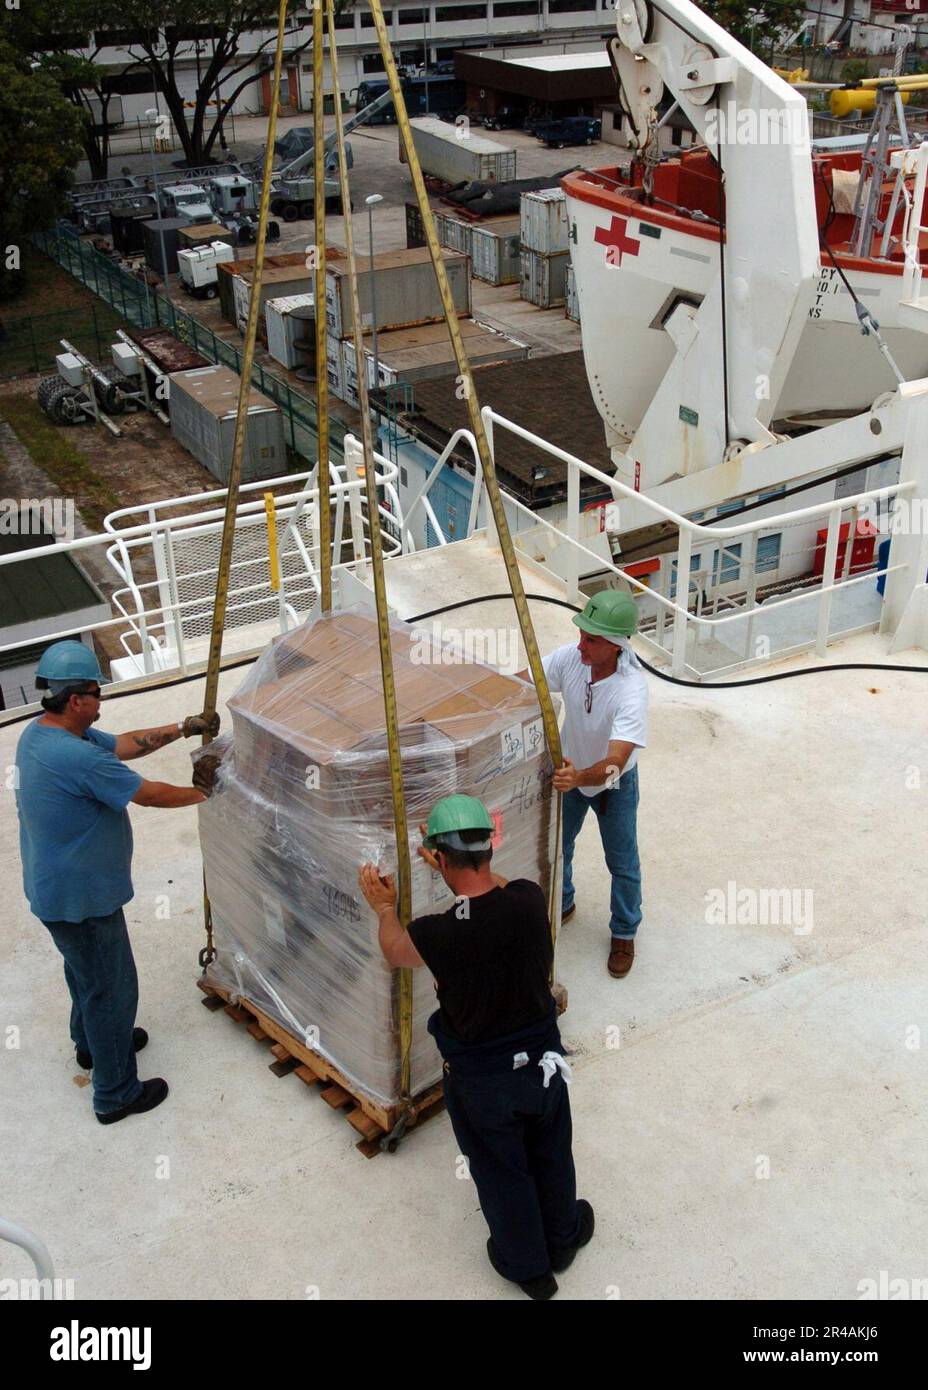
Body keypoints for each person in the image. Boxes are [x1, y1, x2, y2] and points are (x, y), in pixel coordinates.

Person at [358, 794, 593, 1300]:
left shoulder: (436, 934)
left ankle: (528, 1268)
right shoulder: (530, 901)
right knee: (552, 1151)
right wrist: (457, 861)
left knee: (501, 1169)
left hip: (485, 1081)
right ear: (491, 845)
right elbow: (499, 890)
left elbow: (395, 952)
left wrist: (383, 907)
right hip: (544, 1067)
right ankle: (564, 1238)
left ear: (440, 859)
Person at [14, 640, 218, 1125]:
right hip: (84, 898)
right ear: (76, 699)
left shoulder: (42, 736)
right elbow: (148, 795)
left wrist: (184, 727)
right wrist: (208, 791)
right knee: (112, 988)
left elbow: (125, 744)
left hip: (54, 892)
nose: (100, 701)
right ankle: (115, 1093)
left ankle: (92, 1047)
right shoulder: (79, 758)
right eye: (95, 693)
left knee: (83, 975)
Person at [532, 590, 648, 978]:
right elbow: (525, 681)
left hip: (612, 784)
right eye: (582, 634)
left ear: (615, 646)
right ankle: (563, 904)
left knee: (622, 862)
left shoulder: (631, 690)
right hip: (572, 773)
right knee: (558, 847)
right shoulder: (572, 658)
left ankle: (624, 932)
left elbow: (616, 762)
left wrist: (580, 777)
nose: (581, 644)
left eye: (591, 639)